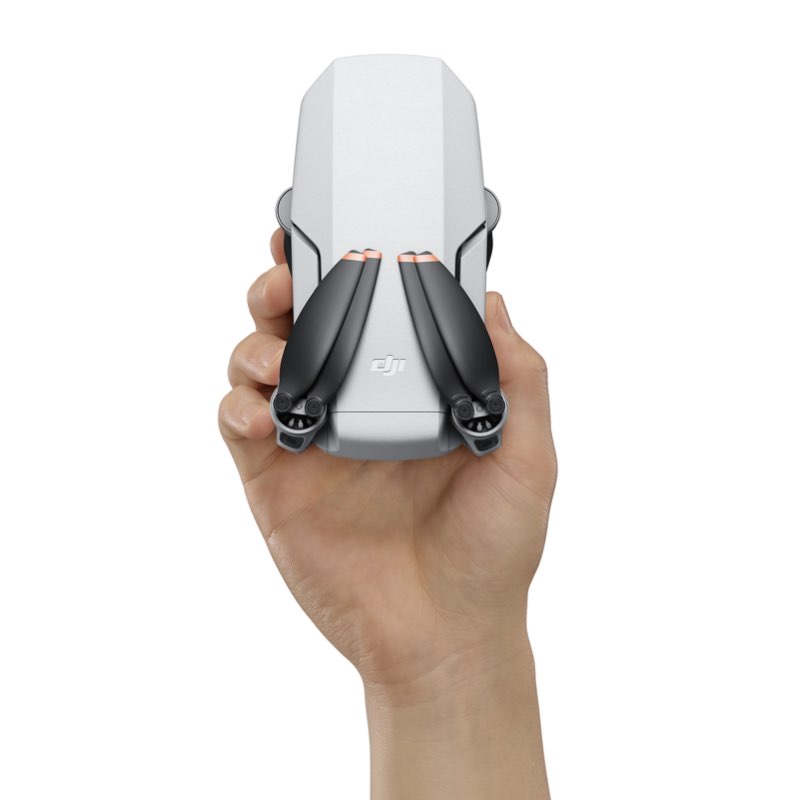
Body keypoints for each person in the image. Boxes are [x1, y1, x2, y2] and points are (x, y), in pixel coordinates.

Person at [219, 229, 557, 799]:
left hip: (407, 422)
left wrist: (462, 643)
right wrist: (441, 665)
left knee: (353, 257)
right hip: (444, 415)